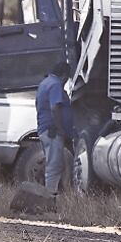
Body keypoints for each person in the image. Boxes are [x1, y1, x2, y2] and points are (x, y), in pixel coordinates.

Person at [35, 59, 75, 198]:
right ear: (64, 75)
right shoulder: (55, 84)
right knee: (54, 165)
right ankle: (49, 197)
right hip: (52, 130)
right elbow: (54, 107)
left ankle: (50, 193)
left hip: (44, 128)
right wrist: (59, 128)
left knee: (54, 163)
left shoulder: (44, 83)